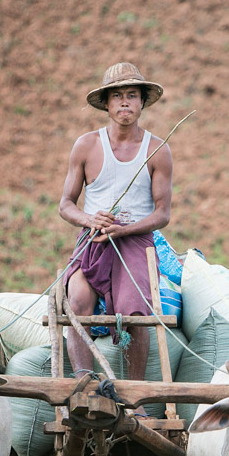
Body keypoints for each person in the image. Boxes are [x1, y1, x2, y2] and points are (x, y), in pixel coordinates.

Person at [58, 62, 173, 385]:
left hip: (135, 242)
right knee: (78, 300)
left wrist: (125, 229)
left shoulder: (157, 149)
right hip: (92, 240)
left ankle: (133, 392)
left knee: (133, 313)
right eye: (118, 96)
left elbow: (162, 214)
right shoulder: (87, 145)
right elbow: (66, 204)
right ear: (107, 104)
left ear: (142, 103)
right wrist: (89, 219)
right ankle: (83, 383)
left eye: (132, 95)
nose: (125, 102)